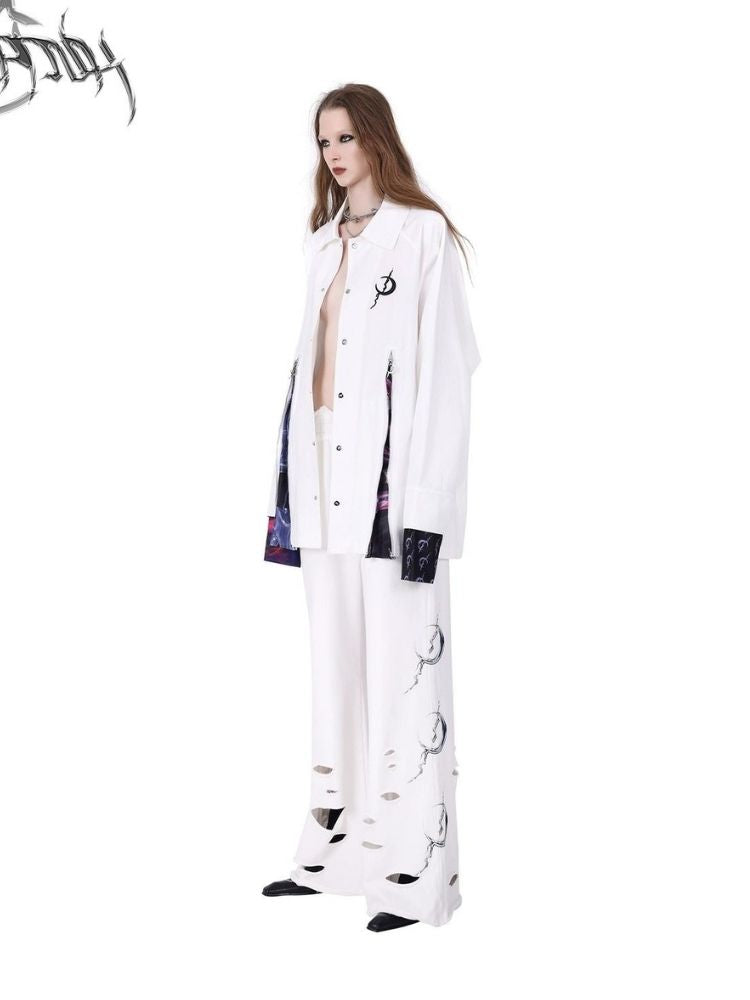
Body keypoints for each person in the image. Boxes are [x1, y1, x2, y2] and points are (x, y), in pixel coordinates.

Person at [261, 83, 481, 931]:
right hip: (320, 488)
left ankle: (411, 877)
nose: (335, 153)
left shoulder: (422, 236)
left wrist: (429, 506)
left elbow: (446, 375)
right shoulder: (322, 244)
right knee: (336, 674)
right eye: (324, 141)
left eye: (347, 137)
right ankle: (335, 859)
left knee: (403, 676)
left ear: (377, 139)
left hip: (393, 498)